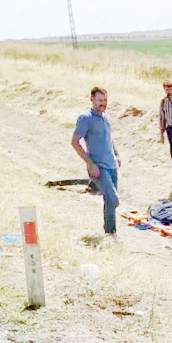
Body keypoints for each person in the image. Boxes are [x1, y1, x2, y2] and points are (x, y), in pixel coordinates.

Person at [71, 87, 122, 241]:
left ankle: (110, 234)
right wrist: (90, 164)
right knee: (113, 199)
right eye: (100, 100)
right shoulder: (85, 118)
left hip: (112, 164)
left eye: (105, 100)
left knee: (109, 201)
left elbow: (109, 139)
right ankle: (109, 233)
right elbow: (75, 142)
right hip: (99, 167)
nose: (103, 103)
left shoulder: (106, 117)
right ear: (92, 99)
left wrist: (117, 155)